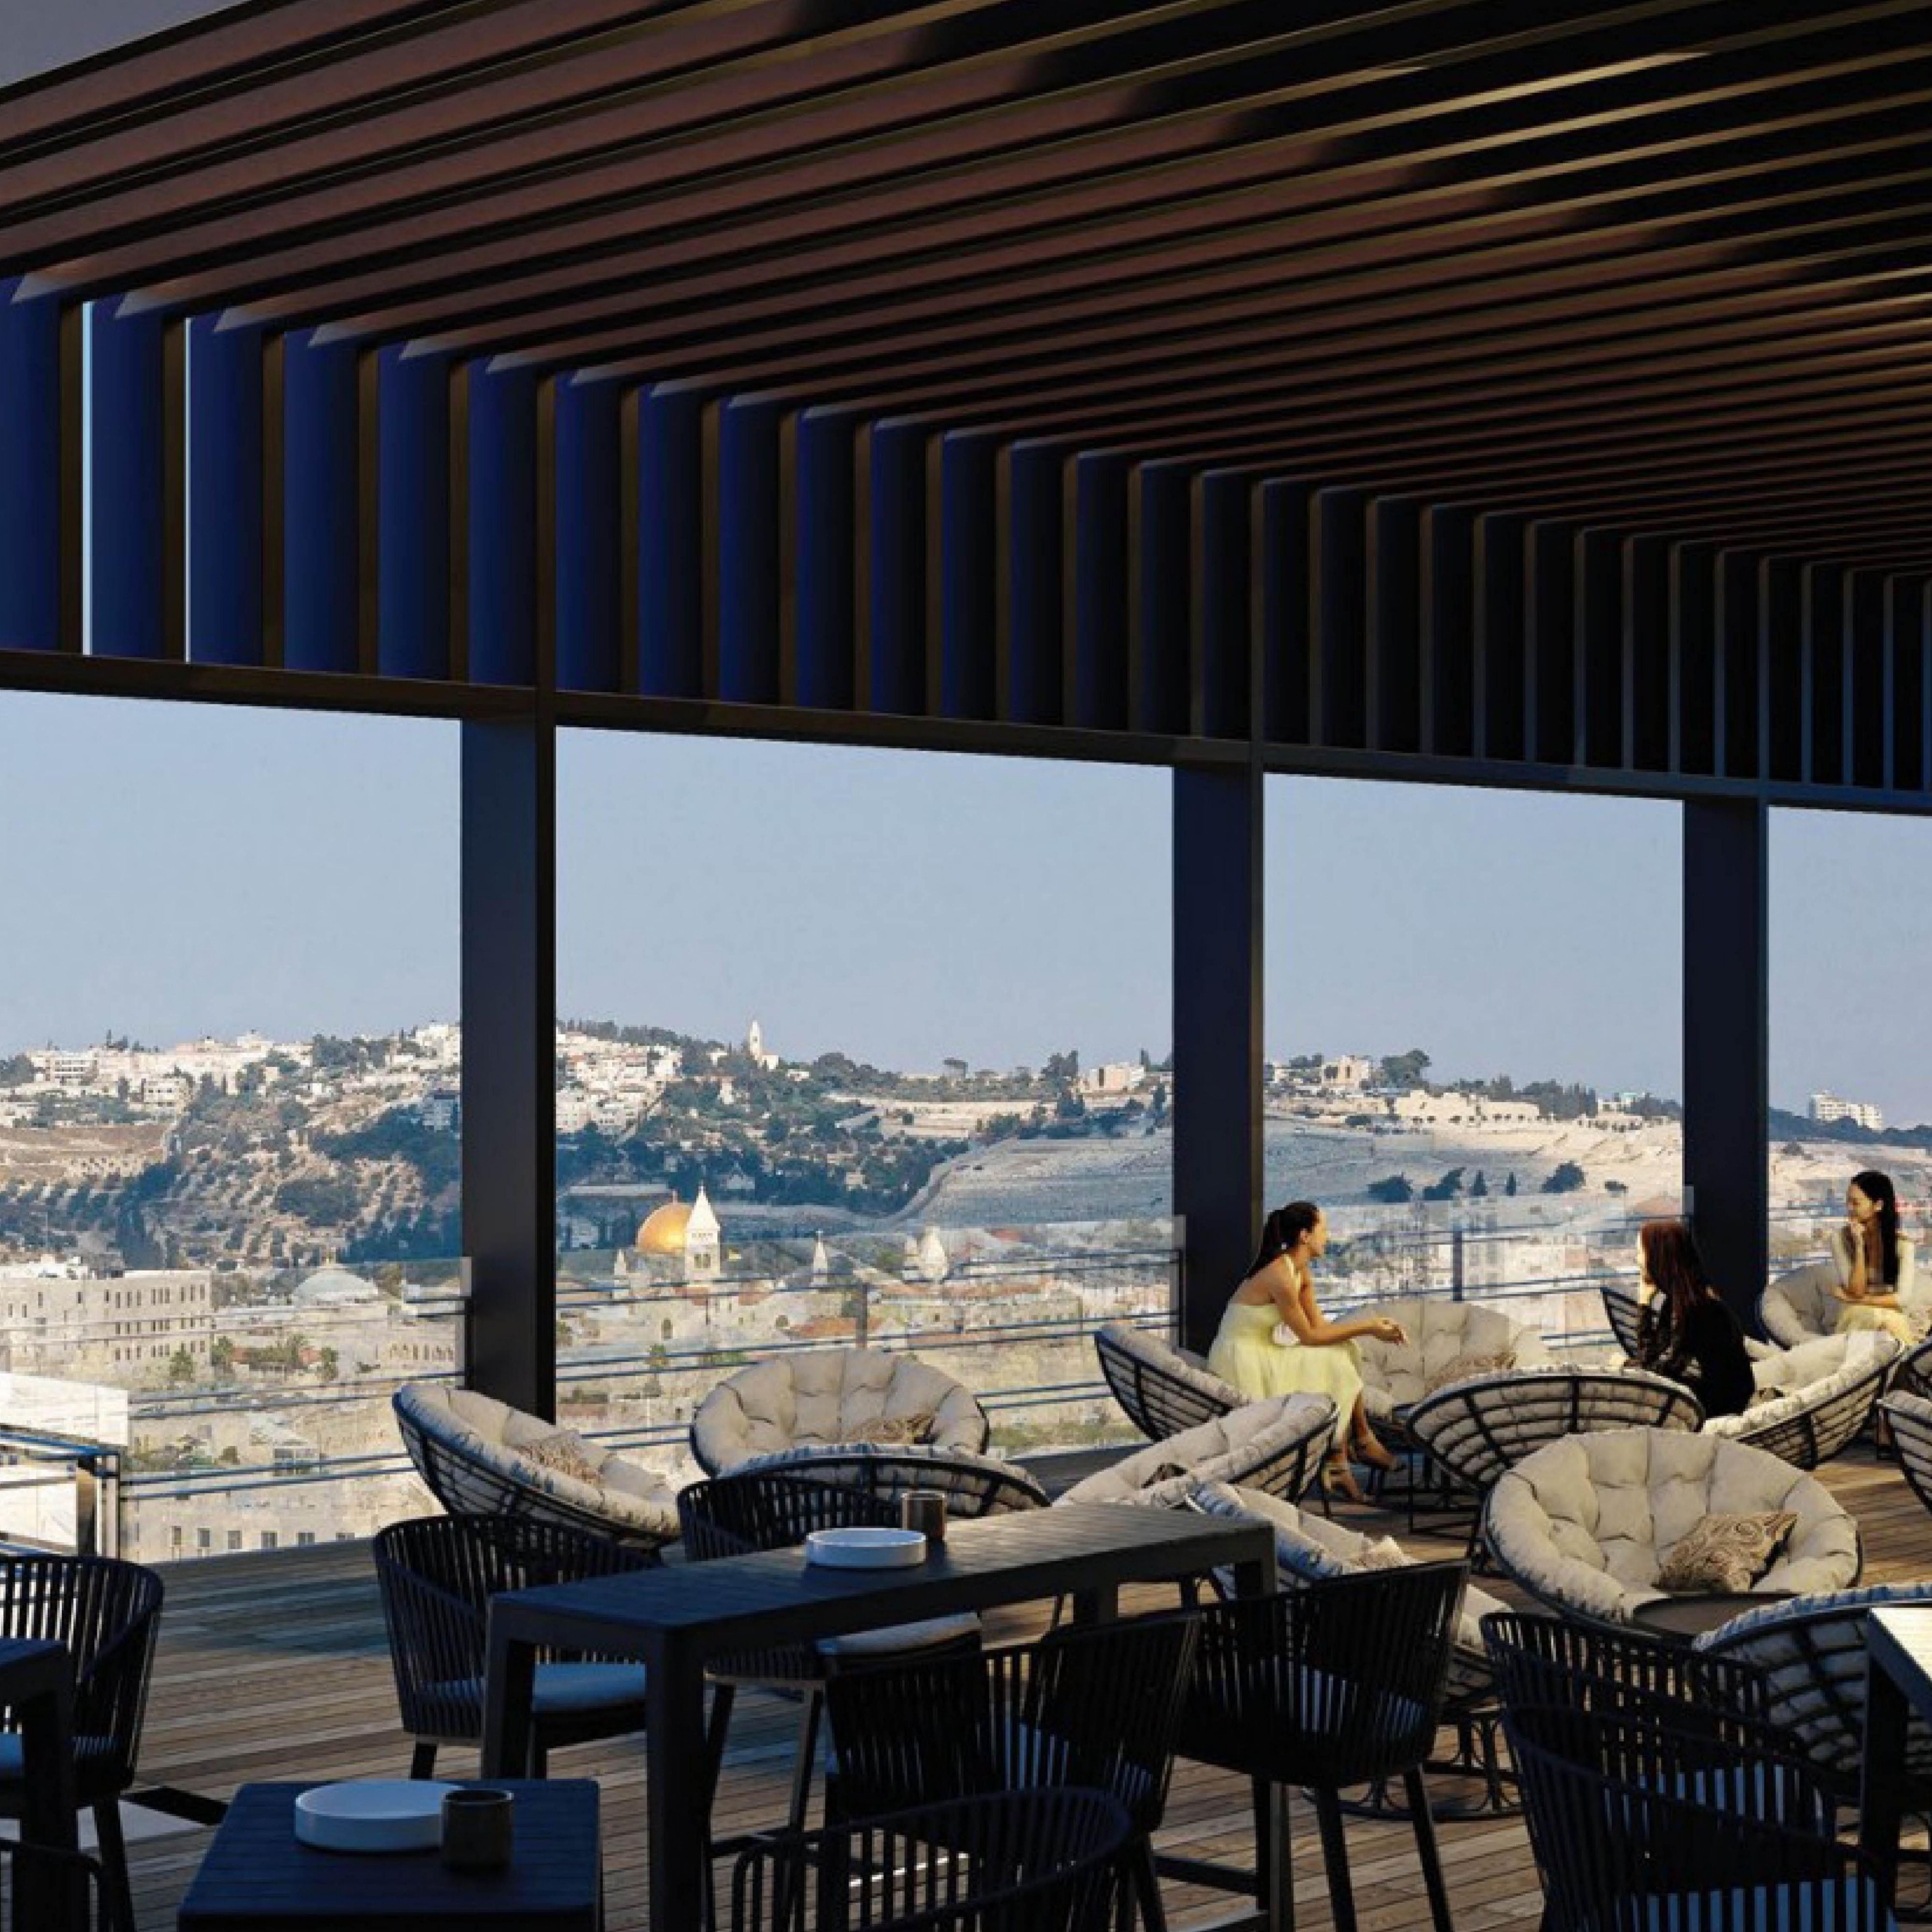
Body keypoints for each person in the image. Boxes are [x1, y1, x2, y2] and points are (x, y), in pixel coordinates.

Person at [1207, 1200, 1404, 1502]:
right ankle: (1351, 1449)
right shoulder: (1280, 1276)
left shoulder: (1299, 1271)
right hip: (1243, 1358)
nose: (1328, 1236)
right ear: (1305, 1236)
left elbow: (1321, 1329)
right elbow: (1311, 1337)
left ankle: (1346, 1454)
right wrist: (1370, 1328)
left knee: (1343, 1350)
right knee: (1338, 1358)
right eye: (1323, 1229)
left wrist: (1372, 1326)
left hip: (1263, 1350)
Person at [1632, 1218, 1754, 1418]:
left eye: (1640, 1253)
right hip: (1714, 1399)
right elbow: (1659, 1364)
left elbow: (1657, 1374)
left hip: (1715, 1409)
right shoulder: (1687, 1301)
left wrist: (1644, 1306)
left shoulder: (1694, 1311)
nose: (1637, 1260)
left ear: (1658, 1257)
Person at [1832, 1168, 1918, 1346]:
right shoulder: (1839, 1239)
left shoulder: (1903, 1245)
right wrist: (1859, 1247)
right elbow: (1856, 1290)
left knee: (1889, 1323)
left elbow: (1903, 1299)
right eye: (1848, 1202)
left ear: (1878, 1205)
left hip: (1890, 1316)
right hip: (1855, 1316)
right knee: (1884, 1323)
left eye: (1856, 1203)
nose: (1849, 1208)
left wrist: (1853, 1299)